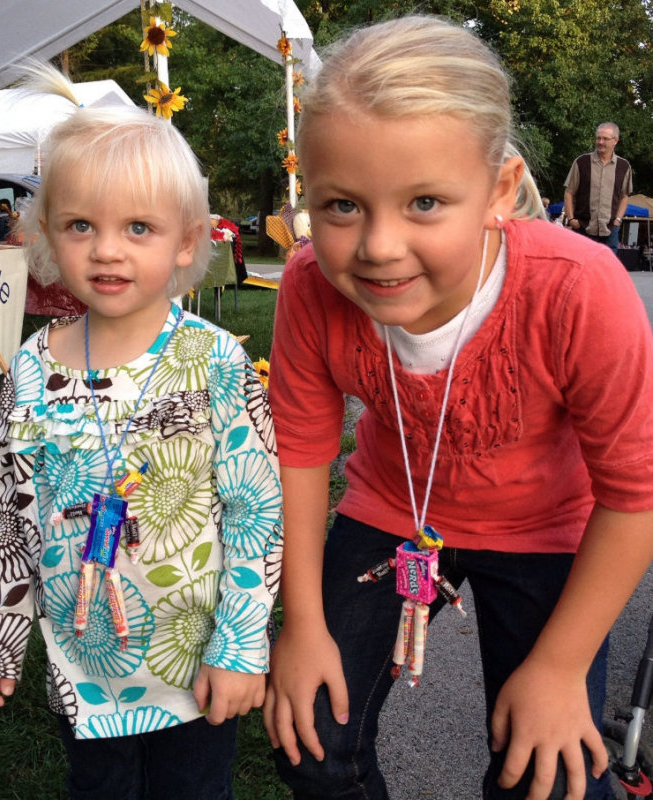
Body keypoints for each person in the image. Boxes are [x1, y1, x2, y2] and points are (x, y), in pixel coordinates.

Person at [263, 15, 653, 800]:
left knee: (549, 774)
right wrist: (302, 626)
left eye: (426, 202)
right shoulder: (310, 286)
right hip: (392, 507)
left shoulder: (579, 289)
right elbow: (300, 453)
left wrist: (560, 667)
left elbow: (637, 492)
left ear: (500, 191)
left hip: (550, 530)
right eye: (341, 206)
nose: (377, 246)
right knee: (311, 738)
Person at [0, 73, 283, 800]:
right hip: (85, 664)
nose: (107, 250)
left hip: (194, 664)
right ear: (47, 236)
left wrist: (240, 646)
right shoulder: (33, 367)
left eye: (137, 228)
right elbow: (6, 512)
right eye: (82, 226)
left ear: (185, 242)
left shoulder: (216, 362)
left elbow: (256, 515)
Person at [564, 123, 632, 253]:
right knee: (582, 269)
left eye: (605, 139)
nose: (600, 142)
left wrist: (618, 220)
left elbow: (624, 196)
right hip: (583, 227)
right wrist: (571, 219)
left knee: (608, 270)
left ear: (615, 141)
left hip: (610, 229)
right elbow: (569, 192)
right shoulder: (581, 162)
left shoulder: (624, 166)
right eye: (598, 138)